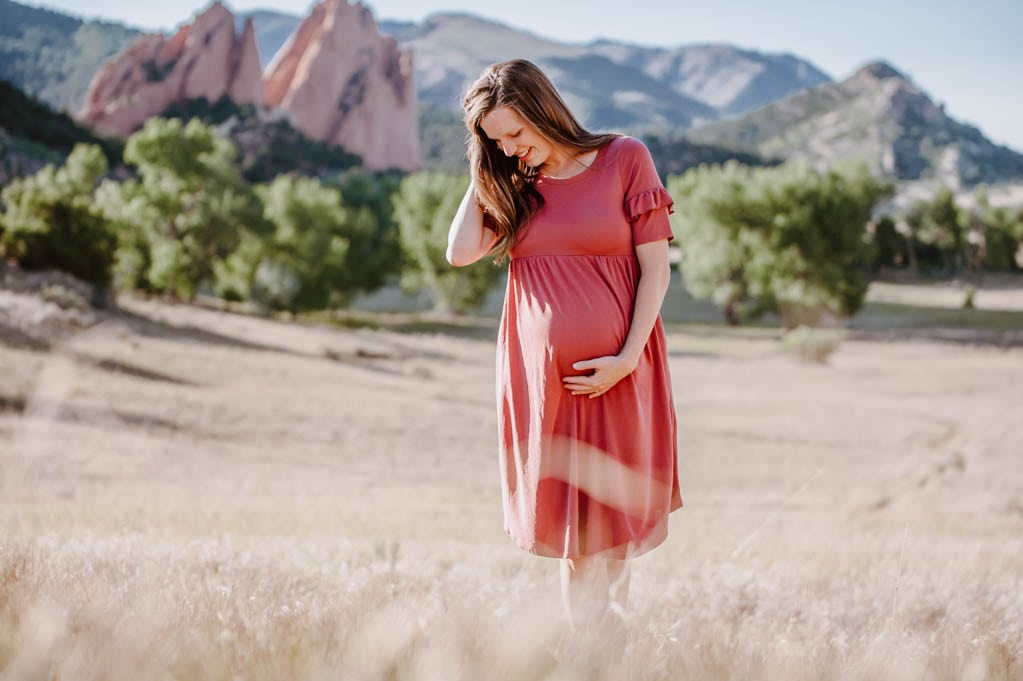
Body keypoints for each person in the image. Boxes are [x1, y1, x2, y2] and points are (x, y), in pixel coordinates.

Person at [447, 59, 682, 623]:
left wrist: (626, 359)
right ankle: (587, 656)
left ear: (543, 111)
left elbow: (656, 270)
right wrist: (484, 169)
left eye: (515, 133)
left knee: (614, 527)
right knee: (578, 539)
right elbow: (458, 252)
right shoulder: (515, 186)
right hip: (546, 385)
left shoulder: (625, 158)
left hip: (622, 370)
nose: (508, 149)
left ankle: (610, 647)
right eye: (494, 141)